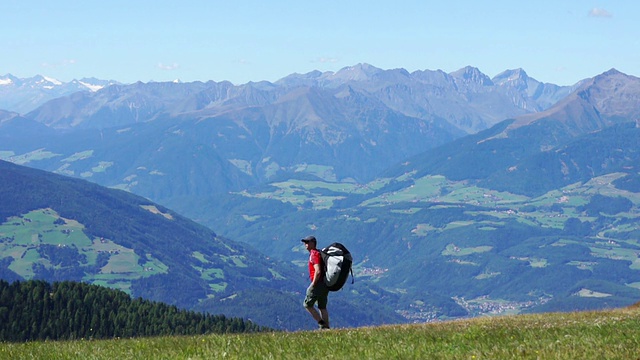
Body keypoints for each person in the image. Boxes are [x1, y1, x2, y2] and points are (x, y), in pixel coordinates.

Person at [301, 235, 330, 329]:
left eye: (307, 242)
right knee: (322, 306)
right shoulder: (319, 252)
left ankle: (322, 324)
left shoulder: (314, 254)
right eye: (305, 242)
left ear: (313, 243)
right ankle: (327, 328)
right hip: (325, 284)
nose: (305, 244)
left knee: (307, 305)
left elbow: (317, 271)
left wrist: (313, 284)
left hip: (318, 284)